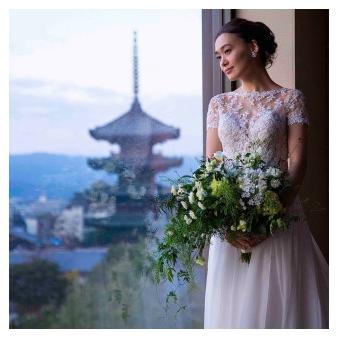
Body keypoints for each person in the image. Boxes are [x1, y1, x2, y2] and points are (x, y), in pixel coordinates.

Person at [204, 17, 329, 329]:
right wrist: (224, 225)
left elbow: (297, 164)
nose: (223, 61)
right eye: (218, 57)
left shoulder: (291, 99)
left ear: (253, 47)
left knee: (280, 306)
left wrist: (271, 219)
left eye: (228, 51)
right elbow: (211, 166)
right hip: (231, 226)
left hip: (279, 219)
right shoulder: (219, 104)